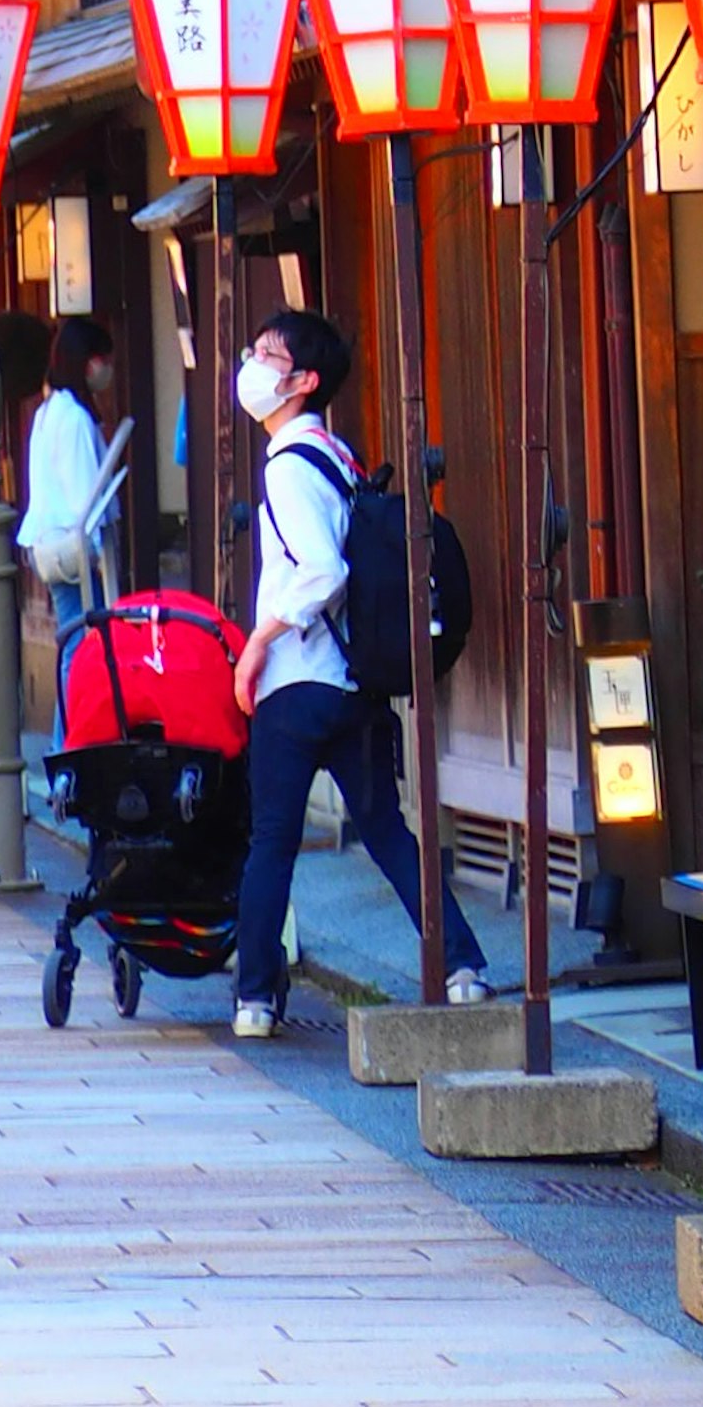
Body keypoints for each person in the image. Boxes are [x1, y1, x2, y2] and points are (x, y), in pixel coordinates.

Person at [225, 307, 485, 1035]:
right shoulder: (338, 457)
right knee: (390, 835)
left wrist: (257, 642)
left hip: (296, 682)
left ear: (302, 382)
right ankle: (463, 965)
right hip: (357, 681)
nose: (253, 364)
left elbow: (321, 573)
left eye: (268, 355)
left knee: (271, 840)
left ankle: (252, 997)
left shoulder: (286, 468)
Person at [17, 311, 118, 630]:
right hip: (72, 544)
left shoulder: (48, 411)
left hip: (47, 541)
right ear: (89, 362)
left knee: (70, 629)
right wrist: (100, 551)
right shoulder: (75, 417)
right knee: (85, 637)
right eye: (103, 359)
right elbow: (85, 489)